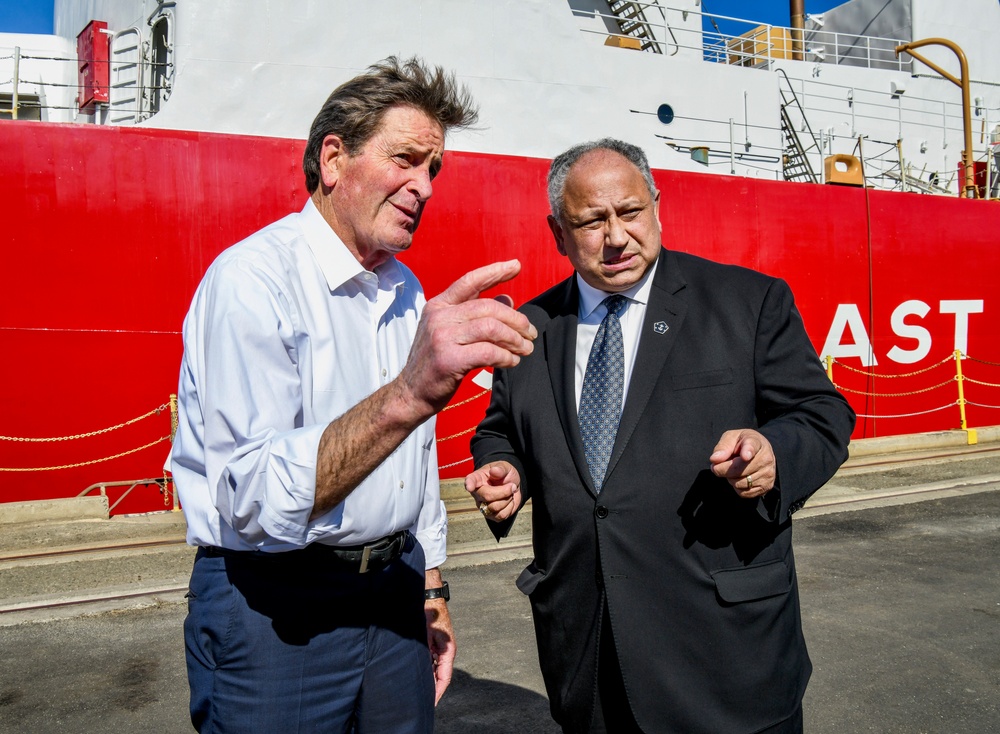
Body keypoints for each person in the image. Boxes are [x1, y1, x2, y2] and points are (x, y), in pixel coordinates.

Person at [169, 56, 536, 733]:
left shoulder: (407, 291)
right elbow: (251, 497)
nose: (424, 187)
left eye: (435, 170)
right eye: (406, 159)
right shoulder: (252, 282)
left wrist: (431, 589)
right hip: (275, 604)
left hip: (395, 593)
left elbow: (413, 462)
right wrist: (407, 394)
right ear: (333, 158)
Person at [466, 138, 855, 734]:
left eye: (630, 212)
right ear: (558, 233)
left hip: (726, 656)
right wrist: (506, 469)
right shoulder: (532, 329)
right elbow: (502, 431)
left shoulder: (748, 302)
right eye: (592, 221)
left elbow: (821, 413)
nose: (616, 236)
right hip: (591, 657)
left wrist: (776, 453)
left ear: (657, 205)